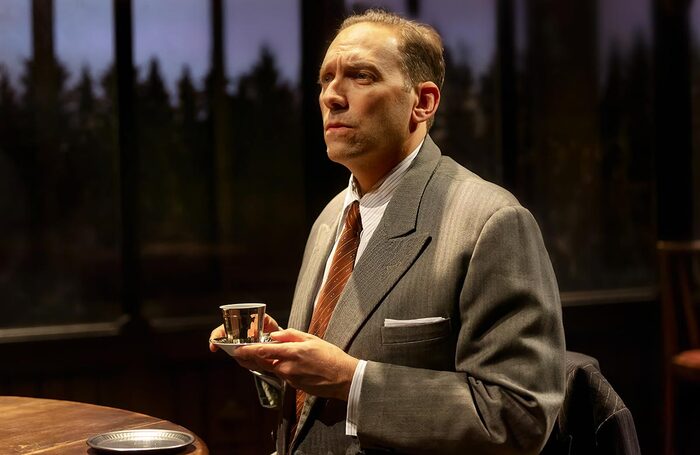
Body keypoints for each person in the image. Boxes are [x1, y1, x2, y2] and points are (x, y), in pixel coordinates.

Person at [210, 9, 565, 454]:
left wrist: (350, 379)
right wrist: (274, 359)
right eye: (325, 79)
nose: (332, 97)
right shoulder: (330, 218)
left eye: (360, 76)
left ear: (423, 102)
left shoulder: (491, 222)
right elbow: (315, 395)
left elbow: (517, 417)